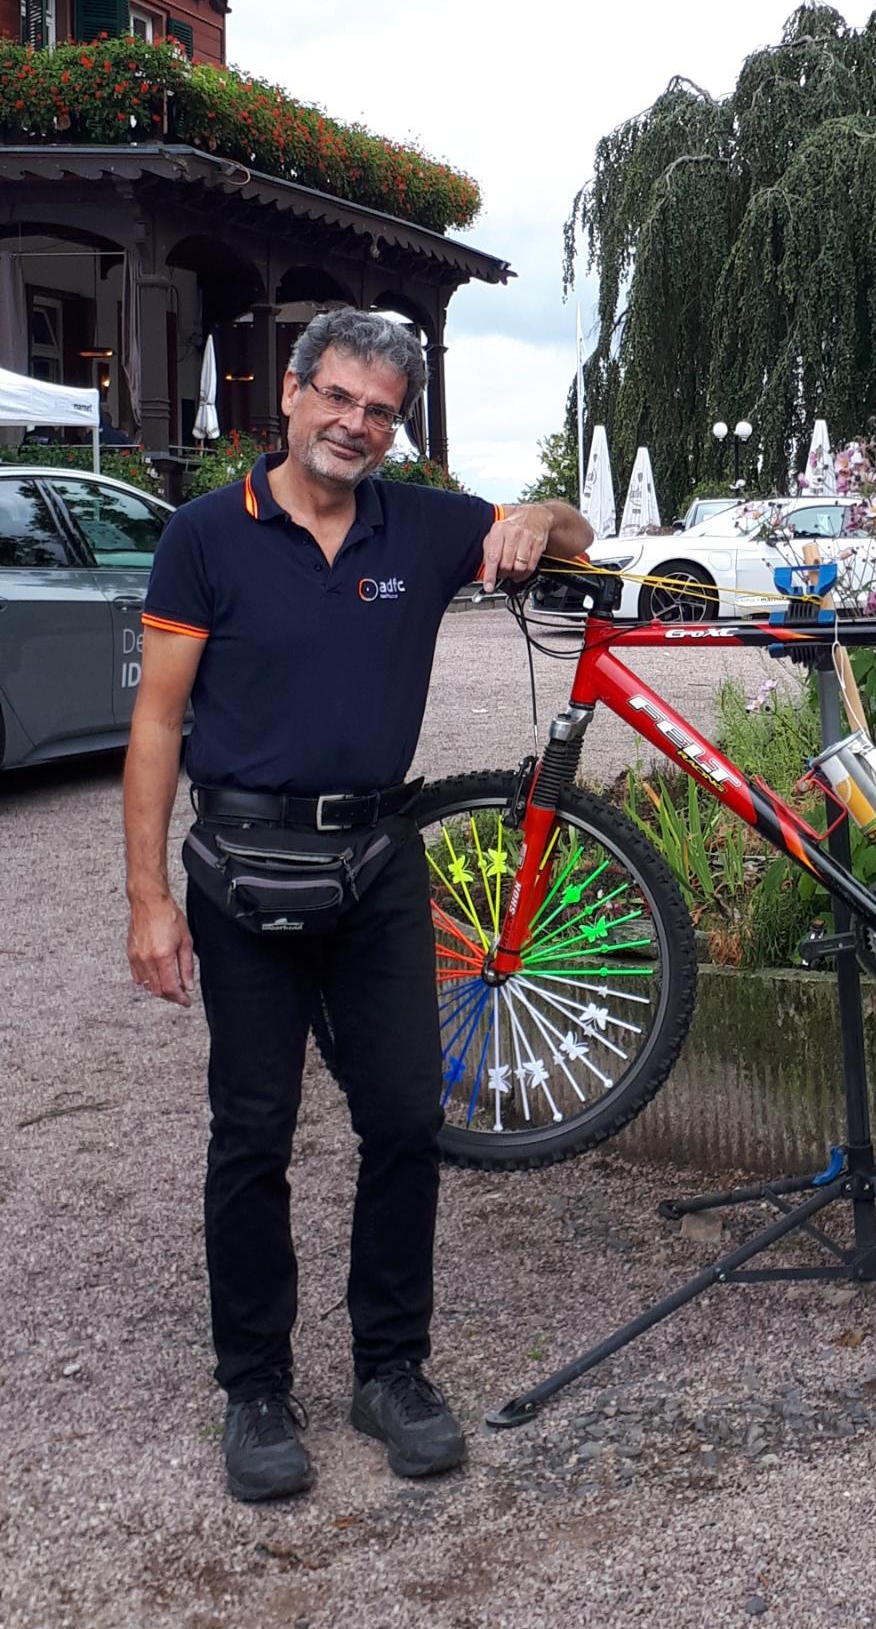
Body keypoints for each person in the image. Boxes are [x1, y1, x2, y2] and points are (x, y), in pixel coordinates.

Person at [123, 309, 593, 1503]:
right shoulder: (202, 537)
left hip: (381, 861)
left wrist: (542, 514)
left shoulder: (420, 523)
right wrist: (146, 899)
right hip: (241, 865)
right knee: (252, 1132)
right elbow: (157, 725)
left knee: (402, 1121)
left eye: (381, 410)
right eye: (339, 397)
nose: (356, 425)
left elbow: (575, 536)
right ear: (290, 393)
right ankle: (257, 1387)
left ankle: (391, 1369)